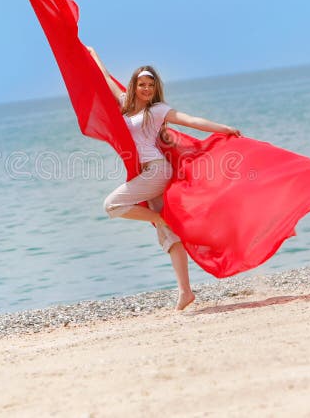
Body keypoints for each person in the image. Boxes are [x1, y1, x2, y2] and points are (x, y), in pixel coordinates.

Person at [86, 46, 242, 310]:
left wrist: (223, 128)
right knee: (169, 235)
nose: (146, 88)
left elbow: (190, 120)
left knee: (112, 205)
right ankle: (185, 292)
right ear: (134, 86)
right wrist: (91, 54)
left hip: (157, 171)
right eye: (142, 84)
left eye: (150, 84)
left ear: (155, 88)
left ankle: (159, 218)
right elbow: (104, 77)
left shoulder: (158, 110)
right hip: (148, 172)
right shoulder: (125, 103)